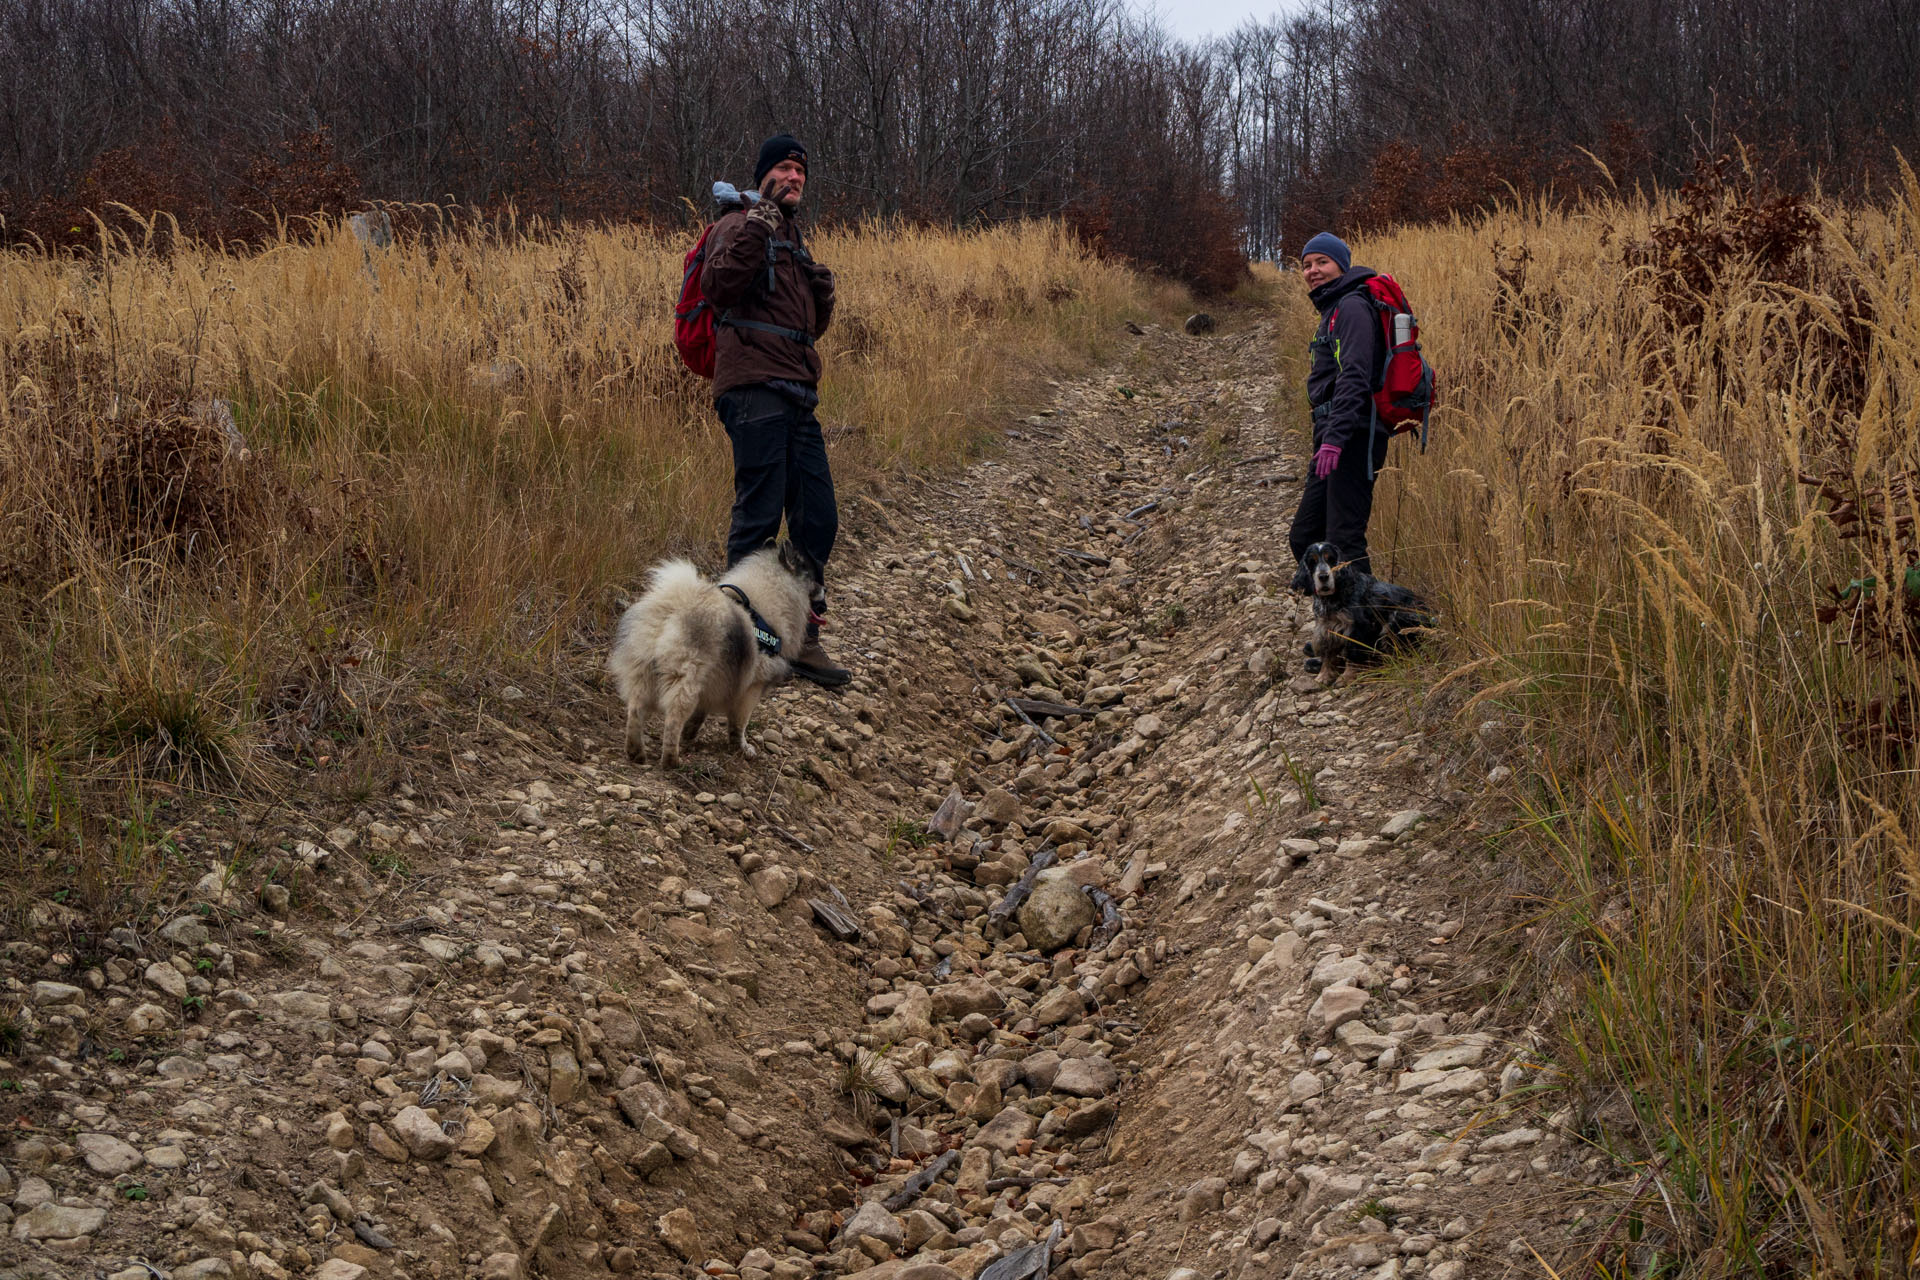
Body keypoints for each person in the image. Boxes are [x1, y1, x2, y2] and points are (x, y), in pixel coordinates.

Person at [701, 133, 849, 687]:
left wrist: (823, 299)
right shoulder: (740, 224)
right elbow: (718, 286)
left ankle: (797, 639)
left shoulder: (793, 239)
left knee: (819, 517)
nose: (794, 177)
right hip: (752, 391)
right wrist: (758, 226)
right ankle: (740, 646)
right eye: (784, 168)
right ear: (763, 174)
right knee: (759, 519)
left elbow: (802, 331)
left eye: (800, 171)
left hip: (795, 394)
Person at [1289, 231, 1393, 578]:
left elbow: (1355, 376)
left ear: (1342, 266)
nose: (1313, 270)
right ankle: (1337, 622)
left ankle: (1363, 630)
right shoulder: (1333, 307)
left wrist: (1336, 438)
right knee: (1307, 536)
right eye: (1307, 265)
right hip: (1332, 434)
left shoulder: (1351, 306)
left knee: (1344, 542)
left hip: (1354, 435)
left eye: (1323, 262)